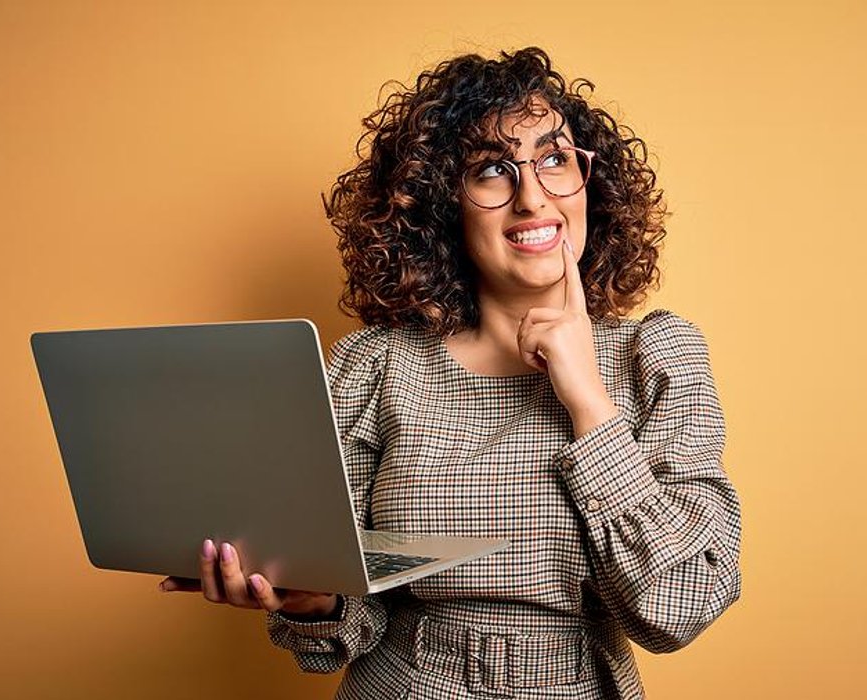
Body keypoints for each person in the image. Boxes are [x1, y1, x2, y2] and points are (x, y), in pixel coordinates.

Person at [160, 47, 742, 699]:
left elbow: (679, 608)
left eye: (553, 158)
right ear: (445, 205)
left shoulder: (655, 355)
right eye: (492, 170)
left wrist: (588, 403)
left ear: (589, 182)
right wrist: (309, 600)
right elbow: (349, 610)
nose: (532, 197)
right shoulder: (374, 365)